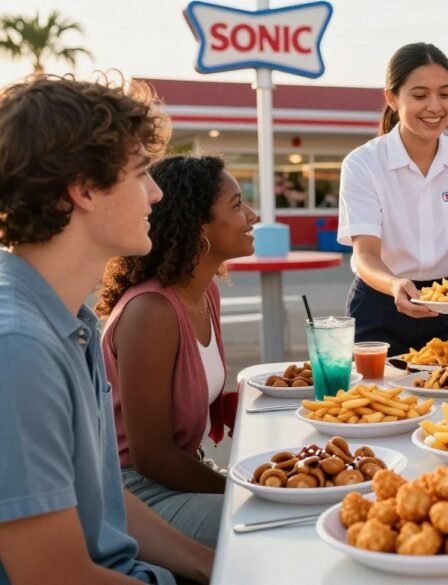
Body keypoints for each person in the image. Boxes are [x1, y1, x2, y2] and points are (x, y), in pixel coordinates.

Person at [0, 75, 213, 584]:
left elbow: (101, 496)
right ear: (85, 189)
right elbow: (54, 577)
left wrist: (217, 569)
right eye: (141, 173)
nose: (156, 194)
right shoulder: (20, 347)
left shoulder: (70, 317)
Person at [95, 154, 256, 550]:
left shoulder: (204, 292)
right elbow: (151, 456)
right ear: (197, 227)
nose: (252, 215)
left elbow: (193, 386)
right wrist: (245, 488)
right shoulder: (151, 312)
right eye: (236, 206)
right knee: (284, 520)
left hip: (182, 473)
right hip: (139, 496)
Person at [338, 42, 448, 352]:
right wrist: (395, 285)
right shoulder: (363, 163)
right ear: (391, 98)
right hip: (380, 300)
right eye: (419, 96)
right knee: (377, 398)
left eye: (445, 94)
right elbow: (365, 256)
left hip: (447, 305)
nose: (435, 106)